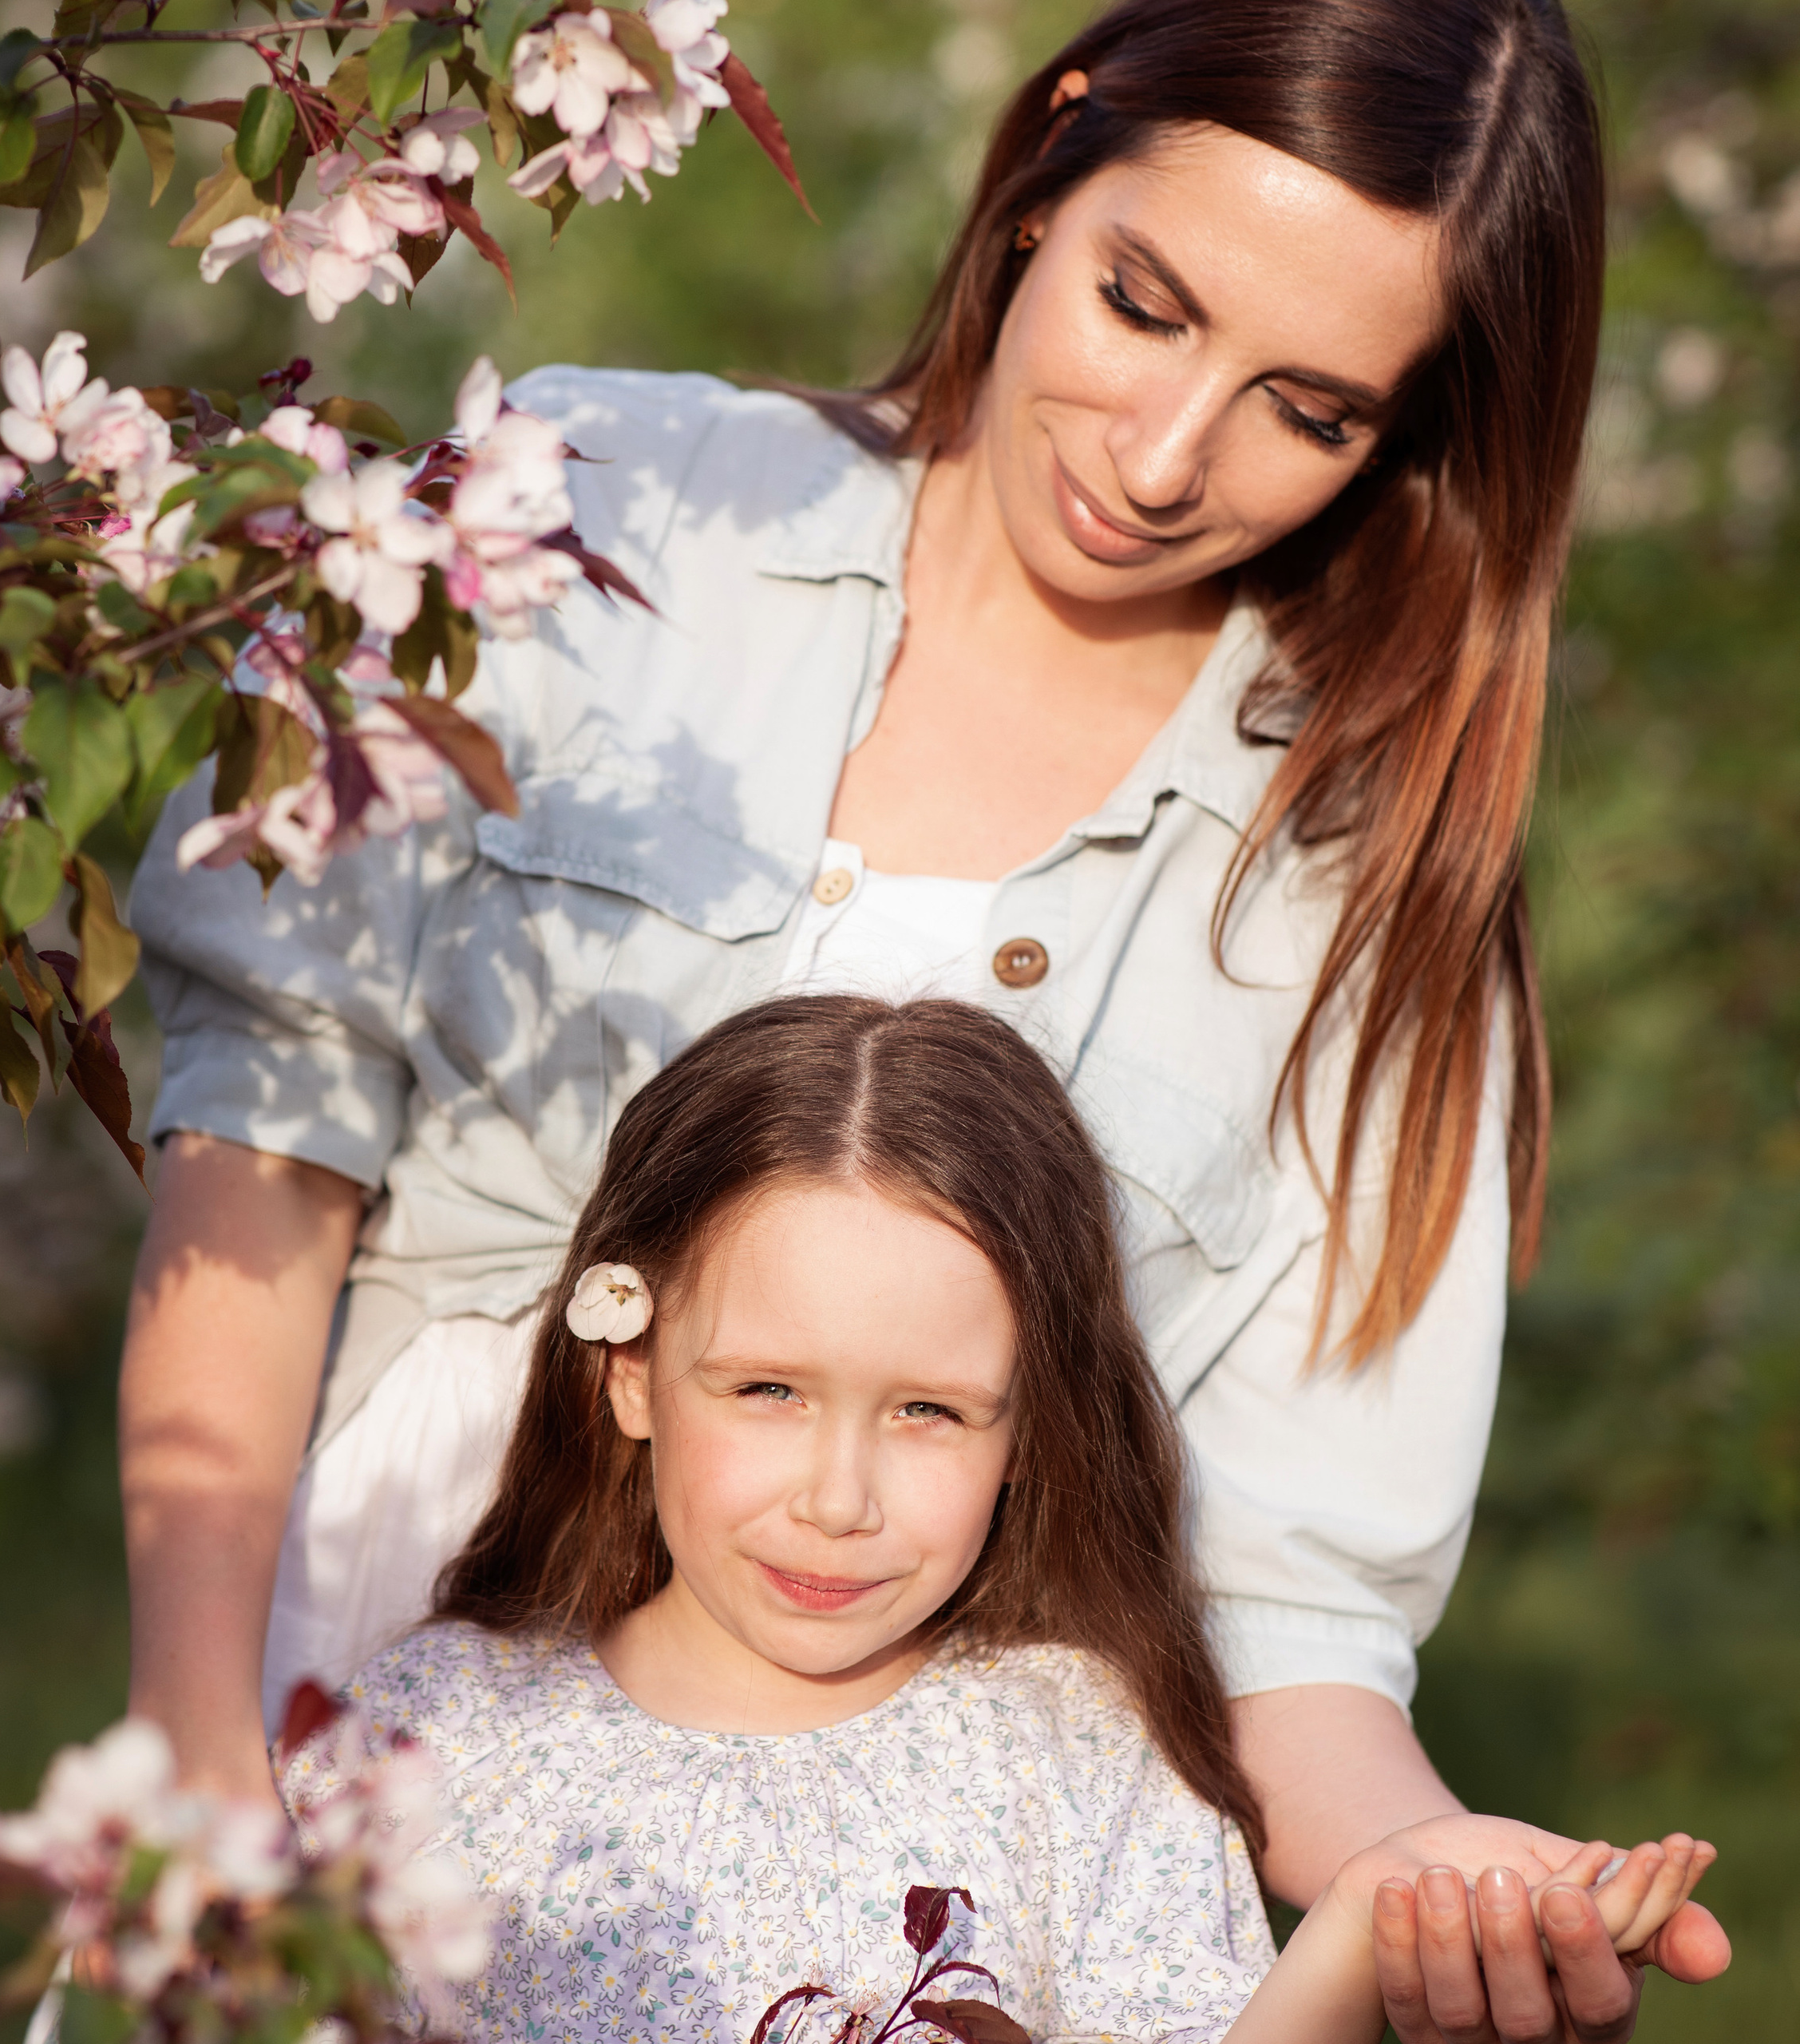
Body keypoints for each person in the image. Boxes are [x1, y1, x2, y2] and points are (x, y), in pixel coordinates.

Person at [123, 0, 1731, 2034]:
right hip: (366, 1734)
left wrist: (1433, 1873)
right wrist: (190, 1749)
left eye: (1306, 411)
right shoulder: (594, 501)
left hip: (916, 1899)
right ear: (1048, 161)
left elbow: (1288, 1600)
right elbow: (267, 1124)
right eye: (1145, 304)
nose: (1163, 460)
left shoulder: (1368, 880)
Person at [283, 995, 1714, 2044]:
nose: (837, 1501)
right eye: (769, 1389)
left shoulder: (1080, 1751)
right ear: (631, 1370)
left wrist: (1364, 1920)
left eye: (929, 1413)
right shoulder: (419, 1743)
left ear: (1031, 1429)